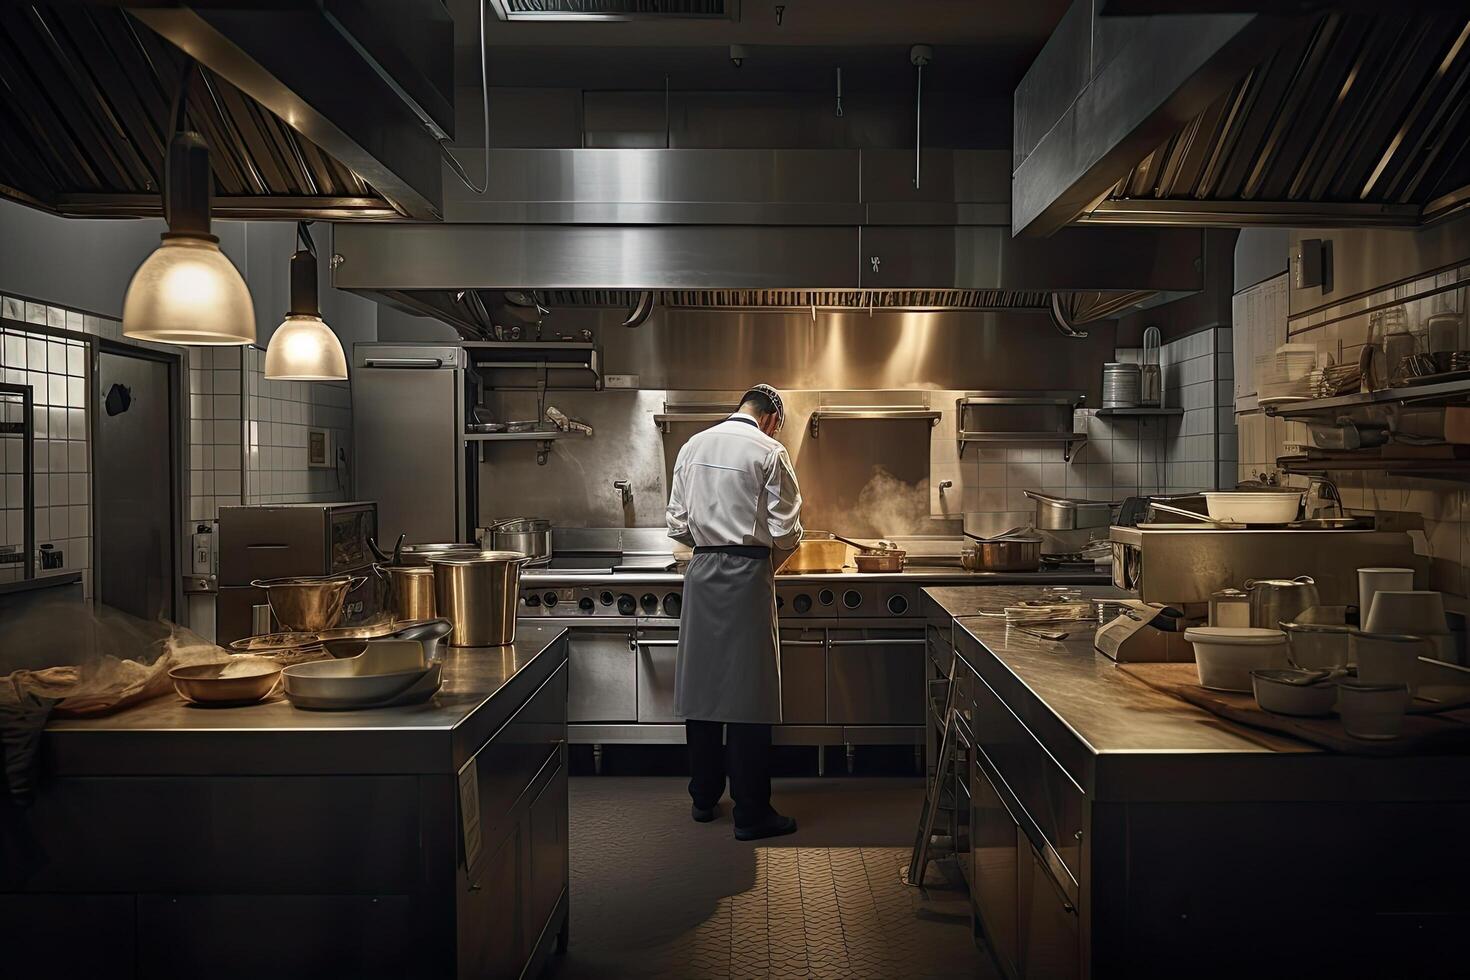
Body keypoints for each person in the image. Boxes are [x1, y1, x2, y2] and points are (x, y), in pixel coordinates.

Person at [665, 383, 803, 841]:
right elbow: (787, 531)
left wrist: (710, 546)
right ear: (772, 418)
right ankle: (751, 813)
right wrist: (767, 564)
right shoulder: (771, 451)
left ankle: (703, 798)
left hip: (702, 572)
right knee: (749, 696)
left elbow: (678, 524)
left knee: (702, 690)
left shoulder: (693, 445)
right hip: (748, 576)